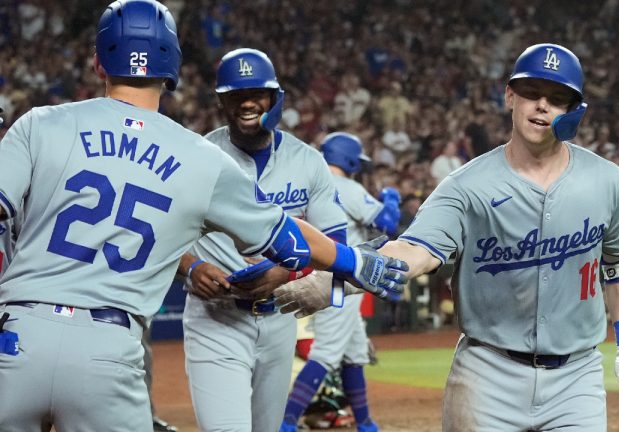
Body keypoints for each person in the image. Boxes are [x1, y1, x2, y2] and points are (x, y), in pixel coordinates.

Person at [0, 2, 408, 431]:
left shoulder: (39, 124)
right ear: (172, 64)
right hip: (108, 349)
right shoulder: (200, 156)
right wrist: (357, 263)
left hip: (18, 339)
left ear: (99, 61)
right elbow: (288, 238)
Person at [378, 43, 619, 430]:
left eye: (557, 99)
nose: (542, 105)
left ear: (574, 112)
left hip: (576, 376)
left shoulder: (607, 181)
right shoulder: (466, 185)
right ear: (509, 96)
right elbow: (420, 246)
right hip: (487, 374)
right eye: (531, 93)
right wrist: (369, 263)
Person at [180, 48, 348, 432]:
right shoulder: (196, 157)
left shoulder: (306, 160)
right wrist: (191, 267)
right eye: (236, 94)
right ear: (221, 100)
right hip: (215, 318)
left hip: (279, 320)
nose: (248, 102)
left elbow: (334, 245)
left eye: (257, 93)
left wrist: (285, 276)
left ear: (275, 98)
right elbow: (156, 234)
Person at [279, 132, 401, 432]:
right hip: (339, 282)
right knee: (326, 352)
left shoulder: (311, 181)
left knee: (354, 354)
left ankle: (365, 422)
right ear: (348, 159)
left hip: (320, 274)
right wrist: (391, 199)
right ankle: (286, 422)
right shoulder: (346, 186)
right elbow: (388, 222)